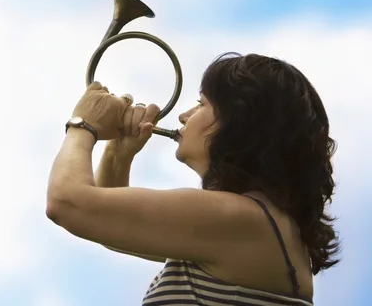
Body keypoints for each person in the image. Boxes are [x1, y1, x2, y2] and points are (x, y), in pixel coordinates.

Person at [46, 52, 340, 305]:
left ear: (239, 121)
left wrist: (83, 124)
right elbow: (111, 228)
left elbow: (66, 203)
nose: (184, 116)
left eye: (201, 104)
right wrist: (118, 154)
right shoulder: (261, 223)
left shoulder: (239, 218)